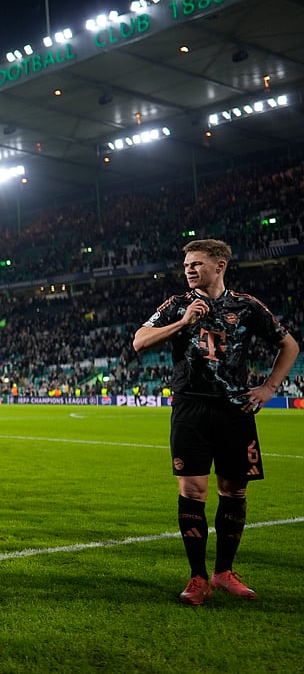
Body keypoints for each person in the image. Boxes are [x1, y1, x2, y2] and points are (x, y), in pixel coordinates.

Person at [132, 238, 299, 606]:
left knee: (234, 491)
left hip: (234, 411)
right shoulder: (177, 304)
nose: (189, 269)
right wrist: (183, 321)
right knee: (192, 492)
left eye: (197, 264)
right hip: (190, 409)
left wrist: (270, 386)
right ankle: (197, 577)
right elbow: (140, 341)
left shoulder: (247, 307)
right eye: (187, 264)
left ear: (220, 265)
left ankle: (224, 572)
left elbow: (289, 345)